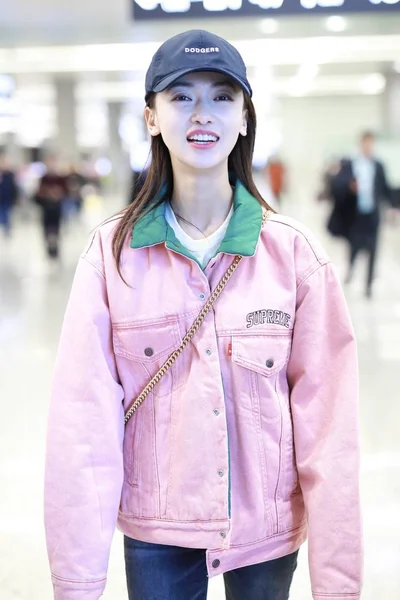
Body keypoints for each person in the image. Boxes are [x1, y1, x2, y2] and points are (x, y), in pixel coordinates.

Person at [44, 30, 362, 600]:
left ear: (244, 118)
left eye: (221, 96)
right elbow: (81, 430)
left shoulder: (293, 257)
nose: (202, 114)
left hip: (265, 532)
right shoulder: (110, 258)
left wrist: (338, 587)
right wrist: (77, 585)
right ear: (150, 117)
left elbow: (331, 437)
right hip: (157, 533)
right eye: (181, 96)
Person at [330, 131, 392, 298]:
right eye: (366, 143)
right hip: (355, 215)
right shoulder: (350, 164)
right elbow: (337, 184)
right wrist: (349, 187)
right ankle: (350, 269)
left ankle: (369, 285)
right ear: (361, 143)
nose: (368, 146)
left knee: (373, 249)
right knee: (354, 247)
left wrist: (394, 205)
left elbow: (385, 188)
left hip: (372, 215)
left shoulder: (378, 165)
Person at [34, 155, 68, 259]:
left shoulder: (61, 178)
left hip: (57, 209)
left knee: (56, 231)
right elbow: (37, 195)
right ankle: (49, 251)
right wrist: (46, 194)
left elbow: (66, 193)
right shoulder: (43, 178)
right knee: (47, 231)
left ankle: (55, 251)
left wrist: (58, 194)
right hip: (46, 209)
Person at [0, 154, 18, 236]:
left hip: (8, 198)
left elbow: (14, 187)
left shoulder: (10, 174)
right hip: (1, 198)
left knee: (7, 215)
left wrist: (15, 198)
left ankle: (7, 231)